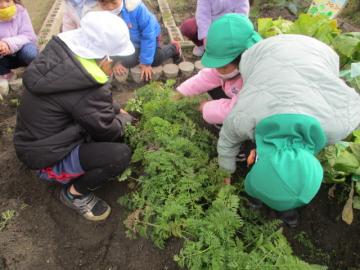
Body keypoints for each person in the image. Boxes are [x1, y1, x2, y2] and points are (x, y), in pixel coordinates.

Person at [204, 14, 360, 226]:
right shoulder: (244, 115)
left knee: (289, 181)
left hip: (320, 55)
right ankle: (262, 198)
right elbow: (227, 141)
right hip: (263, 55)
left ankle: (285, 207)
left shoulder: (338, 124)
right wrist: (226, 171)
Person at [14, 12, 136, 222]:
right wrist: (124, 122)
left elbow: (79, 104)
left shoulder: (63, 61)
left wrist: (115, 109)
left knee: (108, 120)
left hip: (32, 141)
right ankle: (74, 193)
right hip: (46, 159)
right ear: (105, 58)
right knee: (119, 155)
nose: (115, 67)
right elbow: (108, 132)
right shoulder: (88, 89)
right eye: (115, 61)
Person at [97, 0, 182, 81]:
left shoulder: (135, 8)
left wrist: (146, 63)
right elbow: (106, 40)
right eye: (104, 3)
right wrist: (114, 62)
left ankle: (174, 48)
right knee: (129, 60)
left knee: (155, 59)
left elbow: (148, 35)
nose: (110, 7)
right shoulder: (98, 15)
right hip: (127, 43)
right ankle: (135, 55)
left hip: (149, 37)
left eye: (114, 2)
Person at [176, 52, 244, 125]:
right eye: (217, 65)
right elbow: (207, 77)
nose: (218, 70)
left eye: (224, 67)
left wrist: (206, 108)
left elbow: (240, 110)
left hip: (246, 116)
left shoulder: (250, 81)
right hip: (234, 94)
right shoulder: (227, 68)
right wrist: (182, 91)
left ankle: (222, 126)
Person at [180, 0, 250, 57]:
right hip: (210, 23)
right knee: (187, 27)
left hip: (228, 26)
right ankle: (201, 45)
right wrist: (205, 37)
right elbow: (203, 15)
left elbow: (241, 18)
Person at [0, 0, 37, 81]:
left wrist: (8, 43)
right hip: (4, 57)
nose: (4, 5)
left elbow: (29, 35)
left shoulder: (21, 11)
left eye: (7, 1)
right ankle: (6, 74)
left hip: (22, 52)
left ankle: (36, 68)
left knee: (30, 53)